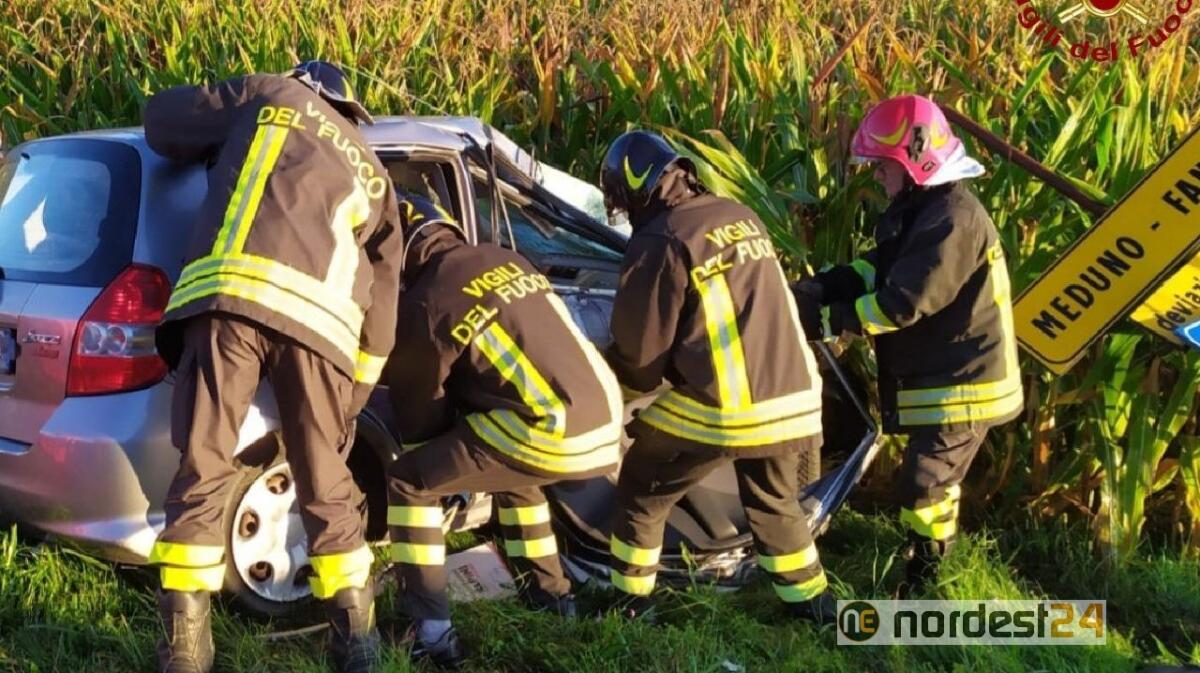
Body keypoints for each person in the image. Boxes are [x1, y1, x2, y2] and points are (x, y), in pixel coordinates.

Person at [143, 61, 403, 673]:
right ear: (351, 111)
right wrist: (357, 384)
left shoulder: (269, 94)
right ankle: (357, 651)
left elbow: (162, 123)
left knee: (203, 470)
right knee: (326, 484)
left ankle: (184, 656)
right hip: (322, 329)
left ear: (304, 84)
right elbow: (385, 300)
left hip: (229, 299)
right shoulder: (375, 171)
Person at [600, 130, 835, 623]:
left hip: (727, 407)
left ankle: (628, 604)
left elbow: (642, 352)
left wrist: (611, 389)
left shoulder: (661, 239)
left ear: (635, 190)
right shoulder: (737, 215)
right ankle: (815, 608)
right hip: (793, 395)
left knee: (642, 485)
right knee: (773, 503)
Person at [793, 94, 1023, 596]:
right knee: (929, 480)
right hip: (945, 373)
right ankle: (930, 557)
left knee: (926, 484)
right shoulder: (923, 209)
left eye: (882, 166)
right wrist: (826, 286)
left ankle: (931, 578)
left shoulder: (953, 220)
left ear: (915, 161)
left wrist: (828, 319)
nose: (876, 176)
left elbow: (902, 302)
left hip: (967, 383)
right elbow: (880, 268)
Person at [383, 194, 622, 667]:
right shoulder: (508, 260)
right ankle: (552, 594)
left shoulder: (428, 298)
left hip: (547, 426)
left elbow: (418, 408)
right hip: (605, 416)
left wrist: (430, 448)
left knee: (410, 482)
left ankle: (430, 630)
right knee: (515, 476)